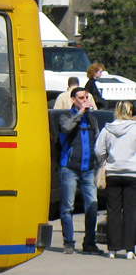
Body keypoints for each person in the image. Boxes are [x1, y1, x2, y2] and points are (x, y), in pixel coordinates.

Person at [57, 87, 103, 255]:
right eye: (81, 98)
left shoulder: (92, 120)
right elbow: (66, 128)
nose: (85, 100)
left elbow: (98, 141)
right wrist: (80, 113)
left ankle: (90, 242)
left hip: (88, 169)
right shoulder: (66, 116)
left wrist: (99, 163)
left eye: (86, 97)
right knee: (67, 207)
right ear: (73, 100)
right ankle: (69, 242)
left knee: (92, 206)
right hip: (69, 168)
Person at [94, 101, 136, 259]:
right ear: (130, 111)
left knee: (113, 211)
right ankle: (129, 249)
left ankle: (112, 248)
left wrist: (107, 158)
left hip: (112, 173)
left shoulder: (108, 128)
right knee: (131, 211)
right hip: (132, 173)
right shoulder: (134, 129)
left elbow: (99, 150)